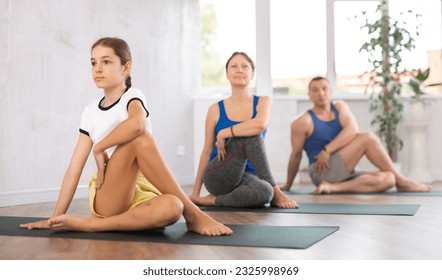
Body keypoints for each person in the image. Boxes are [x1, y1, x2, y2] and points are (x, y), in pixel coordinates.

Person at [20, 37, 232, 236]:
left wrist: (100, 146)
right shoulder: (90, 112)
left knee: (173, 207)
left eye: (106, 62)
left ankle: (94, 224)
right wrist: (55, 218)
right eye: (93, 63)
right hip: (110, 191)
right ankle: (193, 213)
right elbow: (73, 170)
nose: (98, 69)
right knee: (139, 138)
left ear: (126, 67)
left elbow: (136, 122)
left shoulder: (133, 96)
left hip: (144, 189)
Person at [281, 76, 432, 194]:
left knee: (388, 179)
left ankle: (333, 188)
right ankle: (402, 180)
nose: (321, 93)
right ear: (309, 95)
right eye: (315, 90)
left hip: (345, 170)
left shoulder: (340, 107)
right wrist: (288, 185)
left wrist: (327, 150)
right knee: (367, 137)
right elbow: (295, 155)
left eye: (324, 88)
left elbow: (352, 130)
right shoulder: (302, 122)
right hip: (322, 170)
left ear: (331, 91)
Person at [190, 52, 298, 208]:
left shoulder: (263, 101)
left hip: (247, 176)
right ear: (227, 74)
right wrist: (195, 192)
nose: (239, 70)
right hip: (218, 174)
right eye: (233, 66)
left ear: (252, 73)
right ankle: (277, 191)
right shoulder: (215, 110)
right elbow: (206, 151)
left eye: (245, 66)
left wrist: (225, 132)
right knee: (251, 134)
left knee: (265, 192)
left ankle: (210, 200)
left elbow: (260, 124)